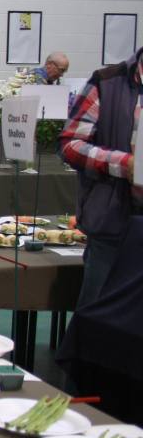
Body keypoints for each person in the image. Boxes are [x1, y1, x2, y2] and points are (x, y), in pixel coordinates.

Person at [59, 45, 143, 307]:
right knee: (98, 319)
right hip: (114, 225)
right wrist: (124, 163)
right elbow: (70, 144)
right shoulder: (107, 82)